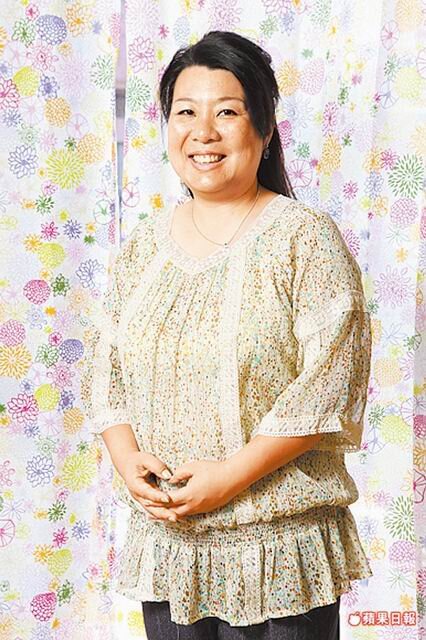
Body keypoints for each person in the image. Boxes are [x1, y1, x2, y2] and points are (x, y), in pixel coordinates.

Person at [81, 30, 373, 640]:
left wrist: (230, 477)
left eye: (228, 113)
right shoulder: (142, 249)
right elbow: (106, 369)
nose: (203, 132)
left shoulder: (304, 238)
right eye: (185, 112)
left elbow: (328, 383)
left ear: (263, 131)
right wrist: (127, 459)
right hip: (171, 550)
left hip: (280, 552)